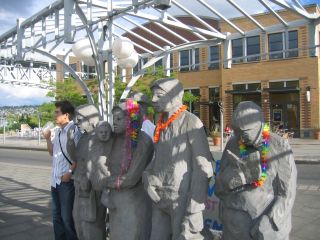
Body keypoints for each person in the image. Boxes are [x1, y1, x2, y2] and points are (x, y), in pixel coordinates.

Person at [143, 78, 213, 240]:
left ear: (175, 96)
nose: (153, 100)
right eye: (153, 95)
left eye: (159, 95)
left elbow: (204, 168)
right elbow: (156, 158)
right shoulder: (159, 125)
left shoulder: (191, 122)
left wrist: (194, 209)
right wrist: (146, 177)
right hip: (158, 195)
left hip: (181, 198)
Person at [215, 101, 297, 240]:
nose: (240, 137)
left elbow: (287, 193)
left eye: (245, 132)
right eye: (237, 131)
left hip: (262, 224)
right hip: (233, 224)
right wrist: (237, 178)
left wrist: (271, 219)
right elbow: (219, 184)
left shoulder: (278, 146)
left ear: (259, 124)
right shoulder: (233, 143)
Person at [102, 99, 154, 240]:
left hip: (133, 204)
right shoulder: (113, 140)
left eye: (119, 118)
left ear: (132, 118)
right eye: (114, 119)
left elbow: (130, 178)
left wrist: (105, 182)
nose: (115, 122)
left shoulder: (143, 142)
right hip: (115, 203)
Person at [43, 100, 80, 240]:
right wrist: (47, 139)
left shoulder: (74, 131)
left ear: (66, 115)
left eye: (57, 112)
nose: (55, 115)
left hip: (66, 181)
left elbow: (79, 155)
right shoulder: (58, 132)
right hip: (55, 180)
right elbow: (52, 153)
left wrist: (69, 173)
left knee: (66, 218)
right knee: (56, 216)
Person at [72, 105, 107, 240]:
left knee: (92, 225)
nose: (77, 123)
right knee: (78, 222)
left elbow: (101, 164)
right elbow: (78, 159)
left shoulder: (100, 138)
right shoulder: (83, 138)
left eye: (80, 120)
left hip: (92, 189)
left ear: (91, 119)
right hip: (79, 186)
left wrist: (89, 177)